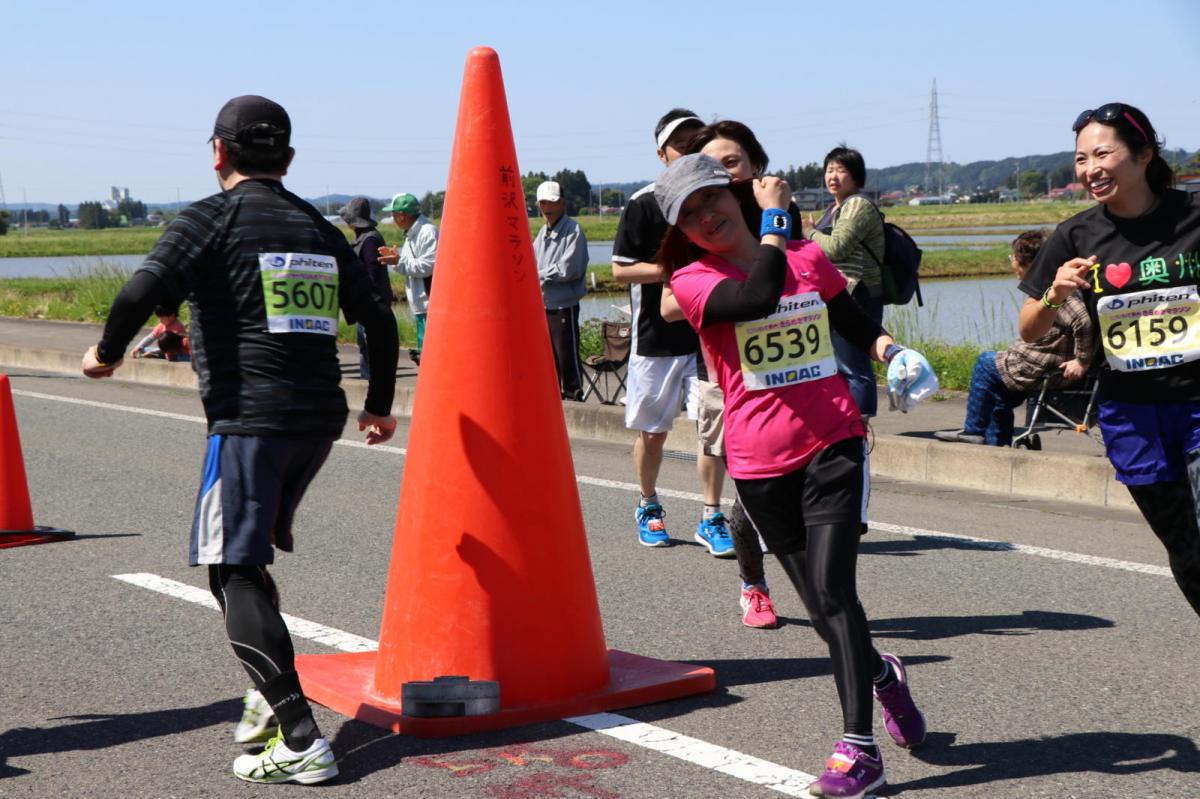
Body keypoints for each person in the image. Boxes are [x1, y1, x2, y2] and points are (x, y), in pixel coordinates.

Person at [81, 94, 400, 785]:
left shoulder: (211, 216)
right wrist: (378, 405)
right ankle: (266, 695)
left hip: (251, 417)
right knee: (246, 561)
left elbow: (140, 288)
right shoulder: (318, 225)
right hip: (318, 418)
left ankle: (301, 736)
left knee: (228, 564)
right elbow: (377, 316)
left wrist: (105, 353)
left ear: (219, 152)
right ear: (286, 158)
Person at [659, 153, 931, 798]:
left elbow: (852, 320)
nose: (706, 218)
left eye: (712, 201)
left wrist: (893, 353)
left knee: (835, 593)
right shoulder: (694, 281)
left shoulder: (808, 257)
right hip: (757, 463)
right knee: (819, 607)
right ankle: (882, 676)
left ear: (734, 196)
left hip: (831, 441)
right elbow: (756, 295)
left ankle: (858, 749)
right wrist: (777, 225)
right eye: (689, 216)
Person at [1019, 102, 1200, 617]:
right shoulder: (1076, 235)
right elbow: (1030, 328)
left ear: (1143, 154)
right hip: (1131, 415)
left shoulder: (1193, 214)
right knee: (1186, 552)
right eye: (1080, 159)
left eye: (1103, 153)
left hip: (1198, 401)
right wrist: (1054, 293)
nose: (1090, 169)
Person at [665, 119, 807, 628]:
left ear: (753, 165)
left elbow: (809, 276)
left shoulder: (780, 213)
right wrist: (727, 297)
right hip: (731, 378)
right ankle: (754, 585)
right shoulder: (701, 224)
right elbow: (668, 302)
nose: (726, 172)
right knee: (752, 497)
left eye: (734, 162)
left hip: (795, 372)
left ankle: (827, 596)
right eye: (715, 165)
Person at [612, 108, 733, 558]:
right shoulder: (645, 202)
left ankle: (711, 514)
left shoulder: (717, 199)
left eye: (696, 142)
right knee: (653, 431)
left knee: (713, 431)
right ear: (661, 154)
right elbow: (620, 270)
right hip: (657, 335)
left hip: (708, 334)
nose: (688, 150)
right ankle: (648, 504)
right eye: (679, 144)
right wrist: (675, 271)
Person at [935, 229, 1094, 446]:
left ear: (1027, 263)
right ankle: (997, 445)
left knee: (985, 363)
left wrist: (1082, 360)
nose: (1012, 264)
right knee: (998, 394)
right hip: (1041, 364)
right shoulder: (1052, 285)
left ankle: (973, 429)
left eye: (1013, 259)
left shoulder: (1057, 290)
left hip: (1039, 367)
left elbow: (1083, 320)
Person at [802, 147, 886, 419]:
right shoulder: (836, 207)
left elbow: (836, 248)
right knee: (838, 363)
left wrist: (809, 232)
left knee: (854, 363)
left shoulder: (857, 205)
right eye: (829, 170)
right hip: (840, 291)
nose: (833, 176)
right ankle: (846, 422)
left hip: (857, 291)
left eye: (841, 170)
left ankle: (861, 426)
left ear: (856, 176)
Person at [533, 180, 589, 400]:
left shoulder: (573, 229)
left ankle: (574, 395)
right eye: (543, 202)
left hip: (564, 305)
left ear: (563, 204)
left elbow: (569, 269)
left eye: (551, 202)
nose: (546, 207)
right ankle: (555, 398)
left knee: (567, 355)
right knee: (549, 357)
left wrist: (538, 274)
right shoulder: (542, 232)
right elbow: (532, 260)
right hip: (545, 304)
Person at [378, 192, 437, 365]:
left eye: (393, 214)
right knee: (426, 355)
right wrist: (397, 259)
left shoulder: (427, 232)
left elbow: (428, 267)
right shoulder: (412, 233)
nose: (393, 218)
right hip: (421, 304)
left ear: (402, 215)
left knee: (431, 356)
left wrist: (398, 261)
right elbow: (413, 263)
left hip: (428, 304)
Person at [339, 196, 392, 379]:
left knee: (369, 352)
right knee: (366, 350)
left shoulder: (369, 240)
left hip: (371, 305)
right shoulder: (367, 237)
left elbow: (373, 274)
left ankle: (369, 386)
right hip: (368, 304)